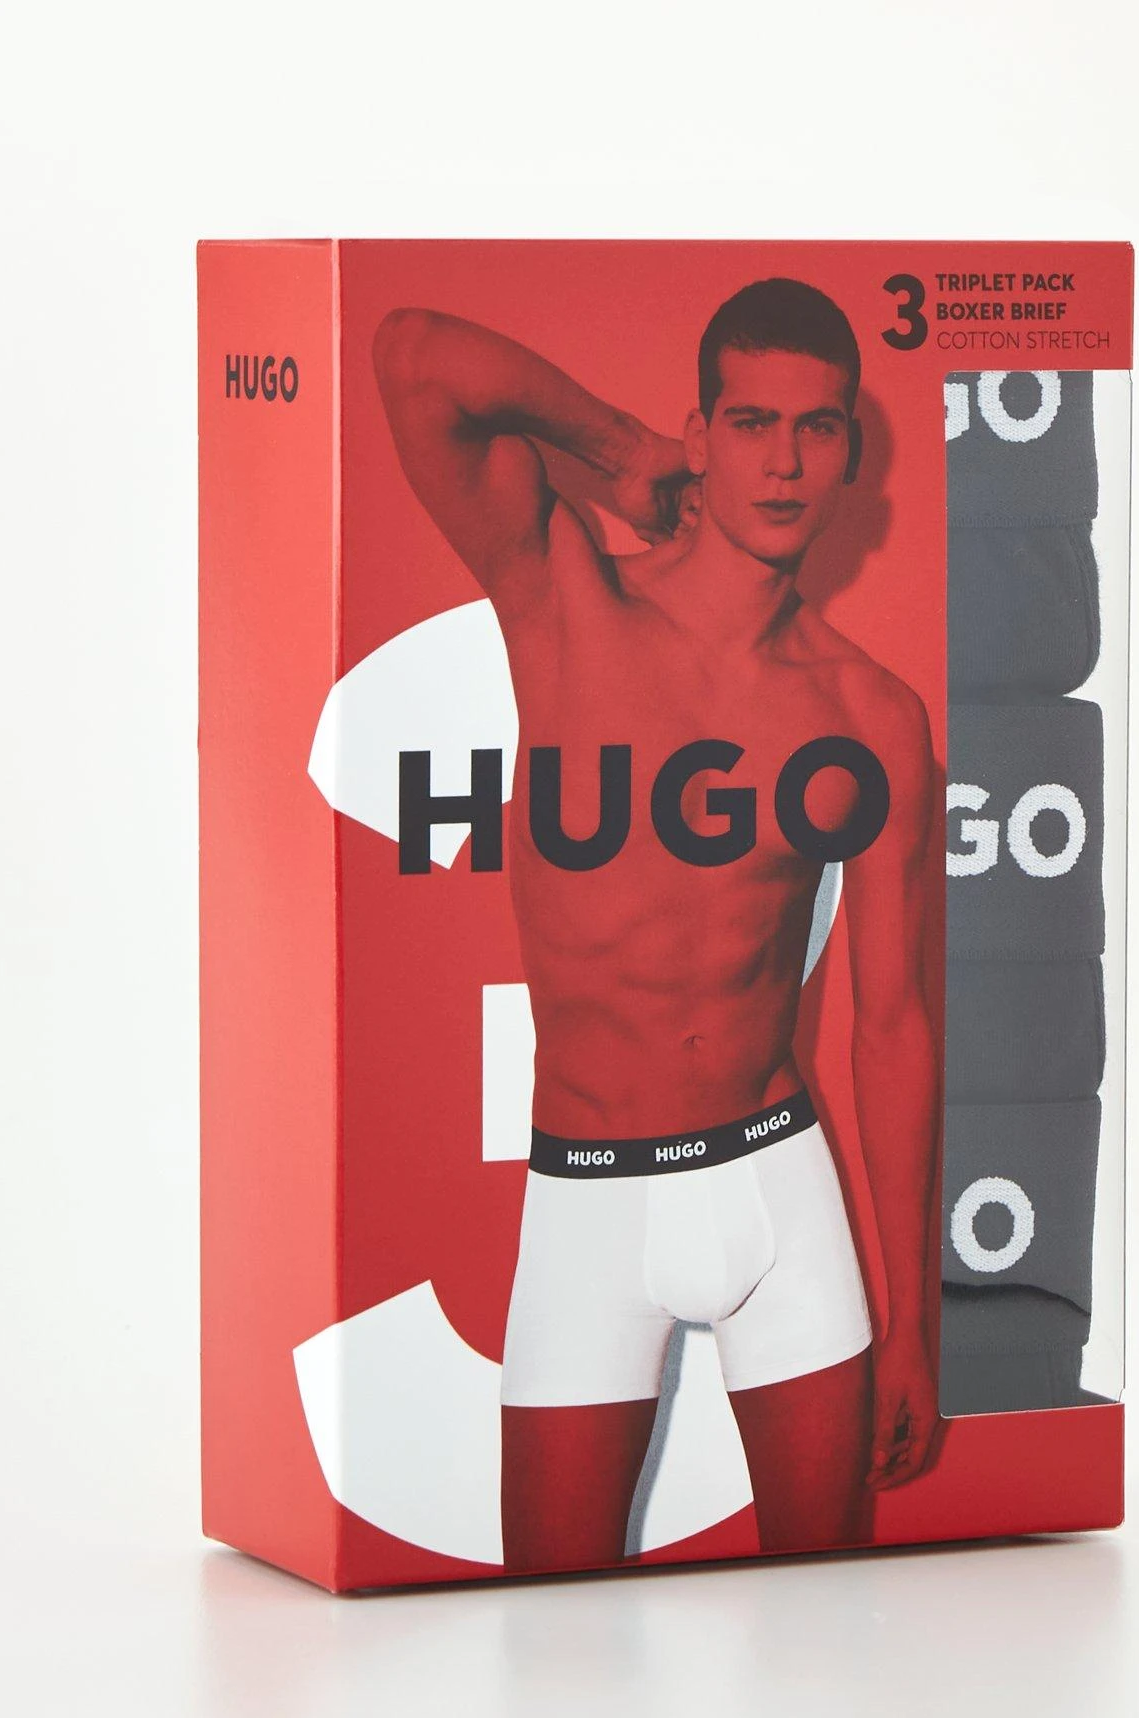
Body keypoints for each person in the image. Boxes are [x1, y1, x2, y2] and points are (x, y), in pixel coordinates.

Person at [374, 278, 940, 1572]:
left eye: (816, 428)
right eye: (749, 423)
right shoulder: (564, 592)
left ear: (850, 453)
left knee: (824, 1630)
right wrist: (620, 452)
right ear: (701, 434)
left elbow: (894, 1026)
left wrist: (912, 1323)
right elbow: (413, 352)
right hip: (588, 1199)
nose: (783, 462)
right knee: (553, 1638)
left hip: (777, 1189)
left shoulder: (868, 716)